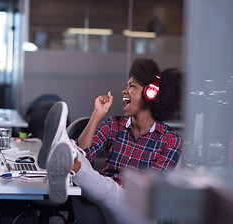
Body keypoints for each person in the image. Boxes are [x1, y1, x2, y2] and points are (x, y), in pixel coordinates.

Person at [38, 58, 182, 224]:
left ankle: (69, 159)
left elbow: (148, 191)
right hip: (100, 207)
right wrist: (97, 115)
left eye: (131, 86)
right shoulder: (114, 125)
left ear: (151, 93)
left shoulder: (171, 141)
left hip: (138, 212)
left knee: (111, 191)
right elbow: (85, 152)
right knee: (82, 161)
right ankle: (70, 158)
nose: (124, 91)